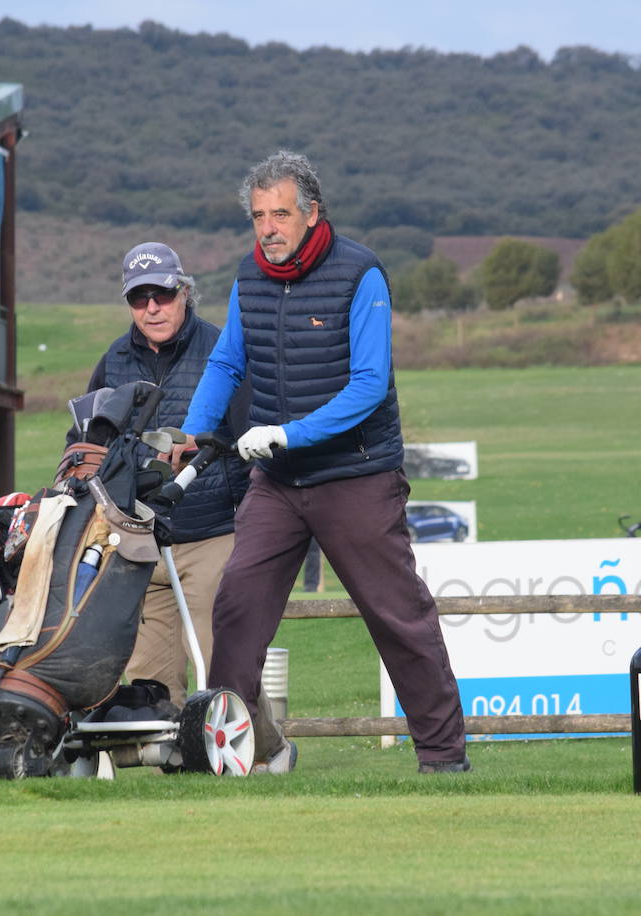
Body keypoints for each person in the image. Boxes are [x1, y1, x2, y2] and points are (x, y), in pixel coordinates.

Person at [179, 150, 469, 774]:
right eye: (259, 216)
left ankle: (444, 759)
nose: (268, 229)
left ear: (313, 213)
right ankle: (226, 757)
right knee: (236, 607)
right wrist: (194, 432)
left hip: (357, 476)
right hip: (279, 483)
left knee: (399, 618)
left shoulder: (360, 273)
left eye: (280, 214)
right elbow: (229, 362)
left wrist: (287, 433)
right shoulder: (248, 276)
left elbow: (368, 386)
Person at [68, 242, 268, 728]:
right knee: (148, 681)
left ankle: (262, 754)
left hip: (212, 532)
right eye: (140, 298)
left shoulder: (224, 350)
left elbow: (253, 443)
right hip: (138, 541)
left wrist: (252, 528)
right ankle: (168, 775)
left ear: (184, 292)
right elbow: (86, 444)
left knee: (223, 667)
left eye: (163, 293)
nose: (152, 307)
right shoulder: (113, 361)